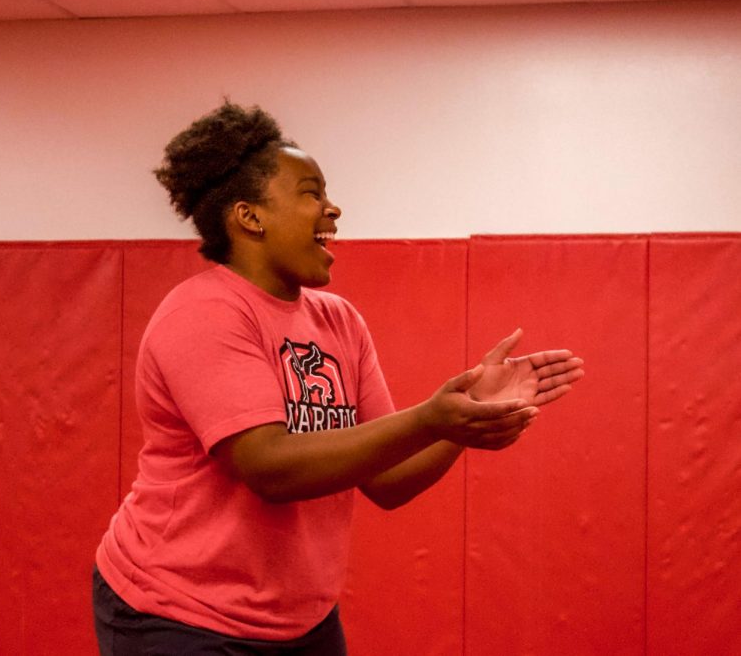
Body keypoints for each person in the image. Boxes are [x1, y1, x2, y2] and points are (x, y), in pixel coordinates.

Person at [92, 101, 584, 655]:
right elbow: (270, 467)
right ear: (250, 217)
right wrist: (431, 417)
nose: (333, 208)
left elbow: (388, 480)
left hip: (299, 620)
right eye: (311, 193)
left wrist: (462, 423)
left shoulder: (338, 320)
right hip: (177, 613)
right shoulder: (204, 313)